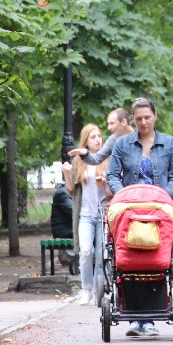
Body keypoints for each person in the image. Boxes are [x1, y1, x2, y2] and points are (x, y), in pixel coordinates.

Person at [107, 97, 173, 337]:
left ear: (155, 116)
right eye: (138, 118)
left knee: (156, 259)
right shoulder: (122, 144)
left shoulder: (169, 144)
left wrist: (162, 198)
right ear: (132, 119)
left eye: (147, 117)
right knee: (129, 259)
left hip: (158, 211)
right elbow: (112, 175)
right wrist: (124, 196)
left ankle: (151, 317)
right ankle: (134, 317)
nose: (143, 122)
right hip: (130, 210)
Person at [61, 124, 108, 306]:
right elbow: (71, 191)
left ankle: (98, 289)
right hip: (85, 215)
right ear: (86, 141)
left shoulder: (107, 159)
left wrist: (105, 183)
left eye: (99, 136)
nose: (98, 139)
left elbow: (115, 187)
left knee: (100, 253)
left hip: (103, 215)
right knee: (86, 251)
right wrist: (66, 175)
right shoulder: (79, 161)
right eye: (93, 137)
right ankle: (86, 289)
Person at [68, 108, 134, 165]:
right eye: (108, 124)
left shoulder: (141, 136)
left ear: (123, 122)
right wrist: (85, 153)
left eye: (112, 123)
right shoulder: (113, 140)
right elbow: (96, 159)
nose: (109, 128)